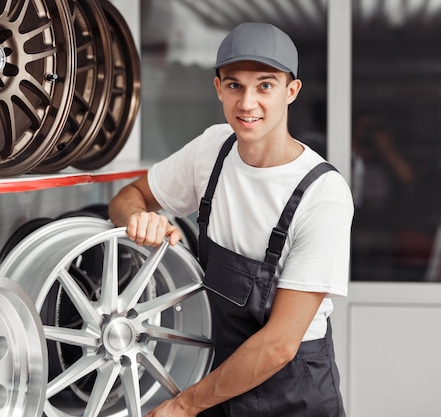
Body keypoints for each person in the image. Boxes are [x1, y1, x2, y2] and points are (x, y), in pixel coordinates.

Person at [108, 22, 353, 417]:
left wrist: (184, 407)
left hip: (293, 394)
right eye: (235, 85)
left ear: (292, 92)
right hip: (218, 381)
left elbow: (279, 344)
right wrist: (141, 219)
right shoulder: (212, 150)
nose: (247, 103)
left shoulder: (322, 194)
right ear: (218, 88)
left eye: (265, 85)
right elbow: (127, 197)